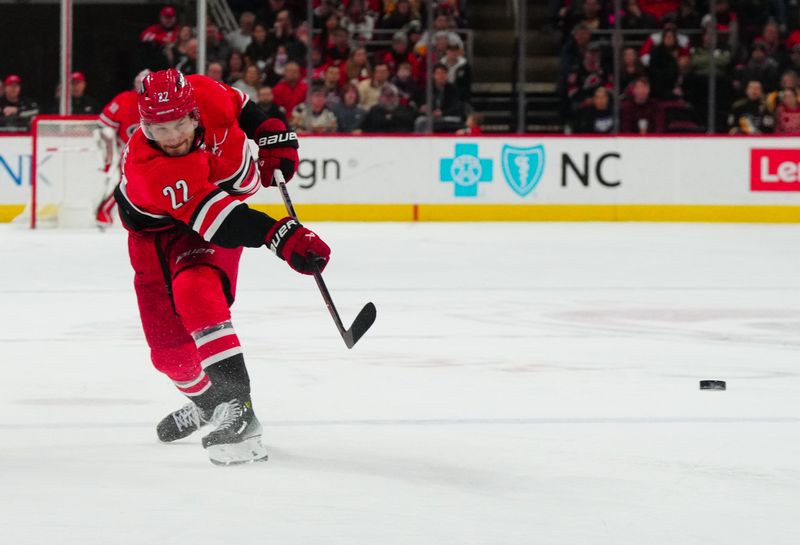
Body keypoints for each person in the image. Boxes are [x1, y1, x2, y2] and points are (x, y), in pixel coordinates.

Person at [114, 68, 330, 465]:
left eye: (178, 124)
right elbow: (226, 222)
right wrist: (282, 236)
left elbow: (247, 109)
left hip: (213, 213)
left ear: (194, 112)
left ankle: (238, 410)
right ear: (144, 126)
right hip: (159, 233)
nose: (172, 137)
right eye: (158, 129)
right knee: (169, 356)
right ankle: (212, 405)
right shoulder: (153, 167)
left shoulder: (206, 93)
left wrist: (273, 136)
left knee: (197, 289)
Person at [95, 69, 151, 228]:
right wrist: (110, 153)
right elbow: (104, 126)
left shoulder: (159, 102)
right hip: (130, 153)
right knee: (127, 184)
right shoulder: (124, 100)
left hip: (154, 154)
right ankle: (104, 213)